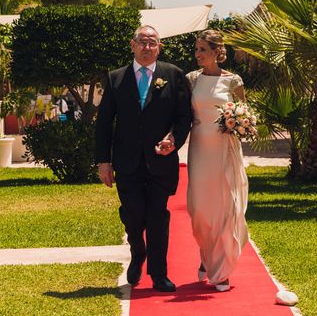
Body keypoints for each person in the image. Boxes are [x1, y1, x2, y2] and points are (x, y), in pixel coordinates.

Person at [95, 25, 193, 293]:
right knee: (133, 215)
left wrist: (173, 140)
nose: (147, 47)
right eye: (143, 42)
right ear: (132, 45)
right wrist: (104, 161)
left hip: (161, 162)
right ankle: (138, 251)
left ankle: (159, 274)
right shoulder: (116, 78)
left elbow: (183, 116)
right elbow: (104, 122)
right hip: (127, 162)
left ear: (159, 47)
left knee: (157, 217)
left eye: (153, 43)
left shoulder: (172, 75)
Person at [186, 30, 249, 292]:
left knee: (225, 207)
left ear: (216, 52)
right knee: (200, 209)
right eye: (197, 49)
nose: (198, 54)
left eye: (203, 49)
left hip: (225, 148)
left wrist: (240, 123)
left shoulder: (234, 81)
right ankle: (205, 254)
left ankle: (220, 271)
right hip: (200, 148)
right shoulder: (191, 79)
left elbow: (246, 112)